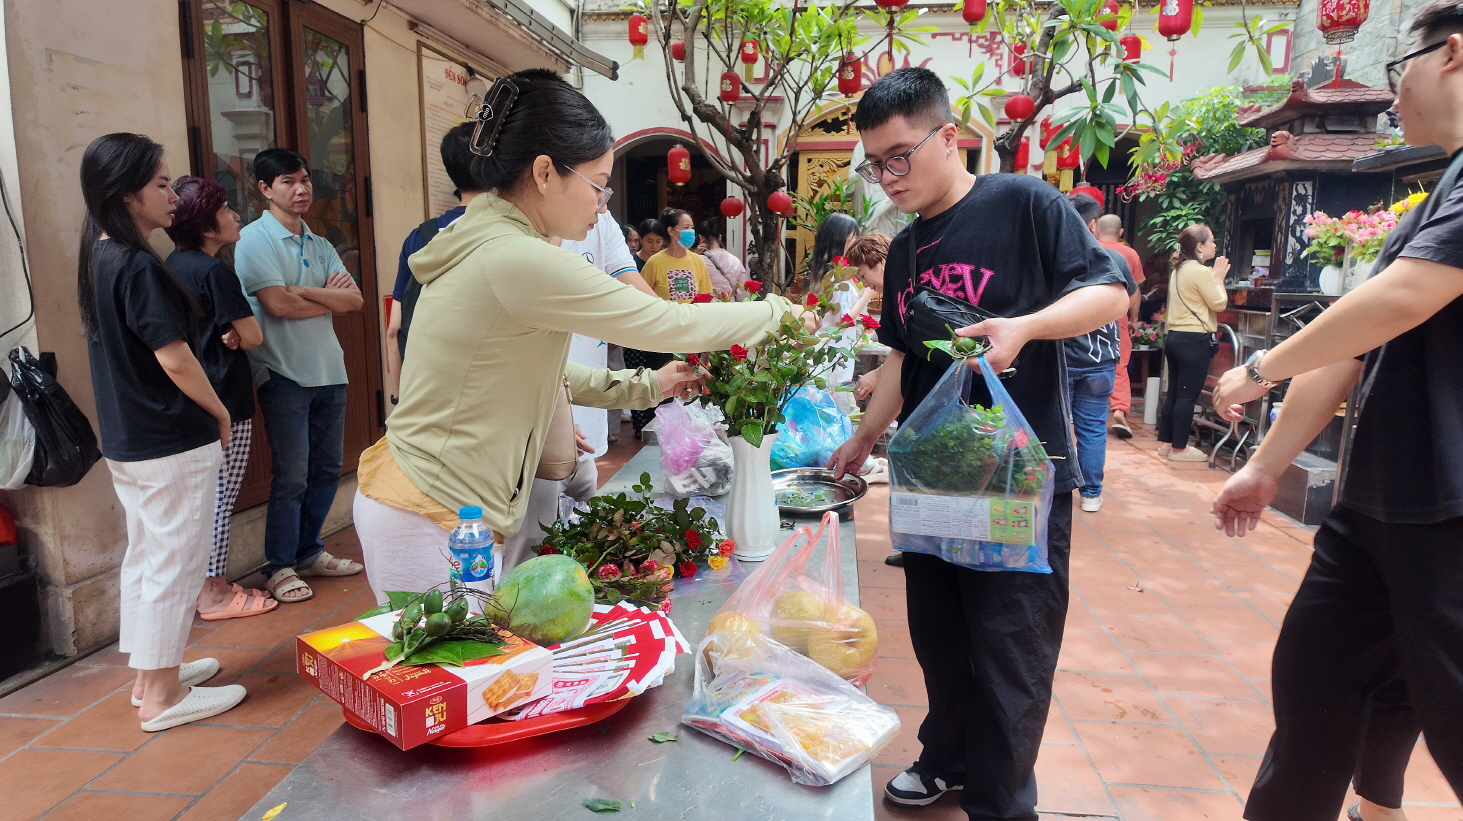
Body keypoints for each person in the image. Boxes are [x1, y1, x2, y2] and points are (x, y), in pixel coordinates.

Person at [350, 68, 808, 602]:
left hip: (444, 505)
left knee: (479, 671)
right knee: (449, 681)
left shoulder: (491, 239)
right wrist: (780, 314)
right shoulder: (514, 256)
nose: (603, 203)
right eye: (597, 184)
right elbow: (663, 321)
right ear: (545, 173)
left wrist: (651, 385)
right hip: (427, 512)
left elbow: (545, 374)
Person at [826, 68, 1127, 818]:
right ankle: (947, 759)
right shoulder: (901, 250)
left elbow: (1110, 291)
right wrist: (864, 438)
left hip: (1015, 475)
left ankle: (1001, 800)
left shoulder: (1023, 202)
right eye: (874, 162)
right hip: (934, 475)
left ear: (948, 136)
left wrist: (1025, 326)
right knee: (940, 632)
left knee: (1009, 644)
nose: (886, 176)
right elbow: (901, 357)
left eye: (898, 155)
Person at [1209, 4, 1463, 816]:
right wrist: (1263, 465)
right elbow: (1351, 351)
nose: (1396, 94)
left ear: (1450, 56)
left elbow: (1406, 299)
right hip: (1374, 511)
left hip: (1452, 515)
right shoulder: (1432, 201)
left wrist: (1259, 365)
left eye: (1403, 69)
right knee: (1313, 687)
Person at [77, 133, 246, 730]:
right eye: (160, 184)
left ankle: (152, 676)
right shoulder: (138, 265)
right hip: (170, 440)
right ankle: (163, 698)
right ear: (126, 195)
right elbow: (174, 358)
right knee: (174, 563)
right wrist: (221, 411)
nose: (172, 194)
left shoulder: (98, 256)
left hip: (131, 441)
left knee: (149, 559)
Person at [234, 147, 365, 605]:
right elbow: (276, 305)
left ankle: (309, 552)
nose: (301, 188)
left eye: (305, 179)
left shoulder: (321, 242)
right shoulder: (255, 240)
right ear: (265, 189)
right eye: (288, 181)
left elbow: (355, 302)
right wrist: (322, 297)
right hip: (282, 372)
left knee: (327, 468)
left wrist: (305, 291)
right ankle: (279, 565)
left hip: (330, 369)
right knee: (291, 474)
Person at [498, 210, 659, 571]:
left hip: (582, 416)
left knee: (586, 539)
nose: (601, 203)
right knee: (531, 548)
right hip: (539, 423)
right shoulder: (515, 231)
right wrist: (547, 421)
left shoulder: (601, 221)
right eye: (596, 185)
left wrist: (686, 333)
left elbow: (634, 293)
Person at [164, 176, 276, 621]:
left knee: (198, 501)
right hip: (226, 401)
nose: (235, 216)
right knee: (219, 499)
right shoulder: (214, 271)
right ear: (207, 226)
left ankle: (203, 586)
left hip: (190, 400)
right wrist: (236, 333)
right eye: (226, 209)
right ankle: (212, 591)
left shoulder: (171, 265)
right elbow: (252, 334)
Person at [386, 123, 480, 407]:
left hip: (425, 390)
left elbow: (394, 329)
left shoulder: (420, 236)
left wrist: (399, 396)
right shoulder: (508, 233)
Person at [1065, 194, 1138, 513]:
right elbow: (1131, 296)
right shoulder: (1115, 259)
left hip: (1061, 360)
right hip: (1101, 361)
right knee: (1092, 428)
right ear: (1093, 223)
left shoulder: (1054, 257)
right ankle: (1091, 493)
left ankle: (1054, 488)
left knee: (1055, 426)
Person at [1156, 224, 1229, 462]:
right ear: (1199, 246)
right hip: (1194, 339)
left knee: (1175, 393)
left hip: (1175, 336)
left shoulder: (1179, 268)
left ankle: (1167, 443)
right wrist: (1218, 278)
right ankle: (1179, 448)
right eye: (1211, 241)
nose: (1215, 245)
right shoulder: (1200, 271)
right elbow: (1219, 304)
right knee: (1187, 396)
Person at [1094, 214, 1145, 438]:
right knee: (1120, 364)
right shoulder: (1130, 254)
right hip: (1118, 316)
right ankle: (1119, 410)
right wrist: (1133, 319)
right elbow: (1136, 293)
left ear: (1095, 228)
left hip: (1086, 315)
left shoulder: (1088, 246)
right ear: (1121, 233)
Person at [641, 208, 713, 302]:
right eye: (686, 227)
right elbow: (641, 297)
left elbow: (705, 297)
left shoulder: (698, 261)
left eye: (692, 227)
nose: (691, 232)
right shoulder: (654, 263)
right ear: (671, 231)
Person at [698, 218, 749, 298]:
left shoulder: (698, 261)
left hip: (706, 308)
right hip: (730, 307)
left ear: (700, 238)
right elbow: (744, 293)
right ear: (720, 237)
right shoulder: (735, 260)